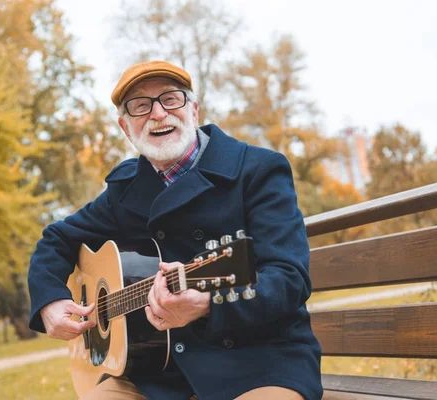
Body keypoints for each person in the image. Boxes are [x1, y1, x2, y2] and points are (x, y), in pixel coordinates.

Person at [28, 60, 322, 400]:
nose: (158, 114)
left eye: (171, 99)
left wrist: (209, 304)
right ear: (126, 129)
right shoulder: (124, 191)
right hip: (156, 374)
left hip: (260, 362)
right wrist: (51, 301)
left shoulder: (258, 170)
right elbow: (57, 240)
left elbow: (289, 279)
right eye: (140, 106)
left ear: (193, 110)